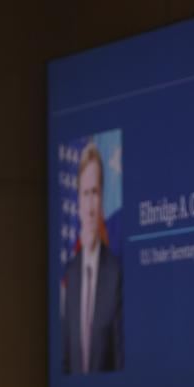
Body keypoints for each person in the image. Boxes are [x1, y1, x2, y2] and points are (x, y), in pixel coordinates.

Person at [63, 141, 124, 373]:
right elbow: (66, 360)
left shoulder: (116, 272)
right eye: (85, 194)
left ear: (102, 199)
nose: (89, 207)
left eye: (95, 194)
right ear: (77, 200)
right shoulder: (71, 272)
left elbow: (120, 360)